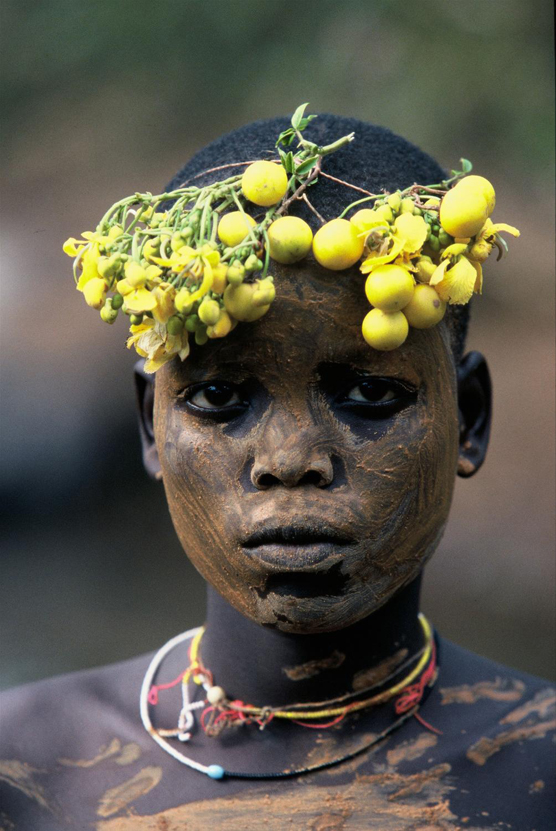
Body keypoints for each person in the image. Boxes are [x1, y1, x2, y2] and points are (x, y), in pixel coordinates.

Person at [1, 112, 554, 830]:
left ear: (468, 419)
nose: (290, 461)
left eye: (370, 394)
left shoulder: (539, 772)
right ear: (149, 426)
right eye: (218, 397)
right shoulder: (24, 772)